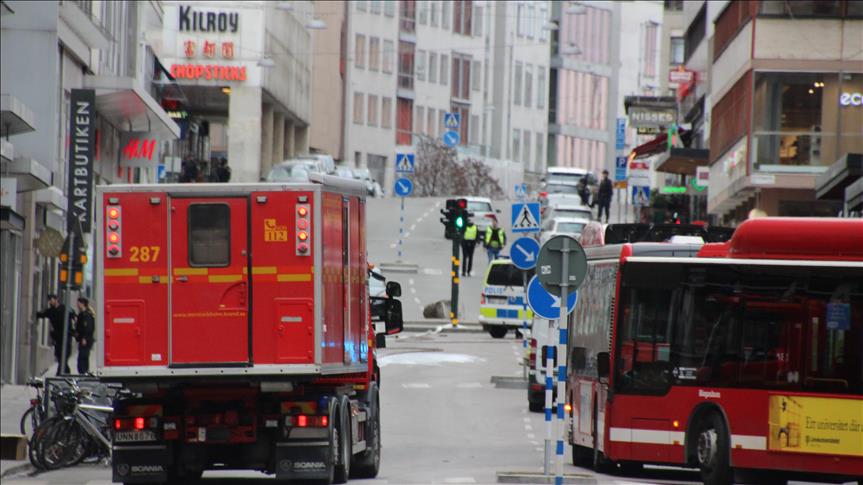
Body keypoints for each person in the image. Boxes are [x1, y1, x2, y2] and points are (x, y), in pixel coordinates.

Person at [36, 294, 70, 375]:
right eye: (49, 300)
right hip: (57, 338)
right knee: (59, 357)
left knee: (63, 358)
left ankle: (61, 373)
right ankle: (65, 373)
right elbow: (42, 314)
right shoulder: (51, 311)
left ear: (56, 299)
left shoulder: (63, 309)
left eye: (51, 300)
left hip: (65, 337)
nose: (50, 302)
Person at [72, 296, 95, 375]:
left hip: (85, 340)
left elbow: (89, 328)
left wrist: (85, 338)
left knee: (83, 357)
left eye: (78, 303)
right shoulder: (81, 314)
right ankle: (83, 372)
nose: (77, 305)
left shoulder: (87, 315)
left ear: (82, 304)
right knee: (82, 357)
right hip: (81, 339)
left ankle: (84, 372)